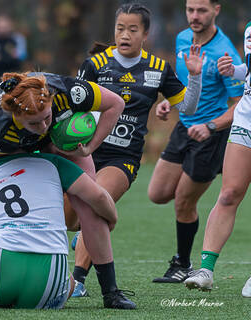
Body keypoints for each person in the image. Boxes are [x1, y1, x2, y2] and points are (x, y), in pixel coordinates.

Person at [0, 70, 136, 309]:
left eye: (46, 117)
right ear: (15, 116)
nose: (42, 126)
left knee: (89, 207)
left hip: (63, 142)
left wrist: (89, 148)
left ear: (51, 100)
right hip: (17, 152)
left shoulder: (66, 91)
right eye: (33, 123)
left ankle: (111, 292)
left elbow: (115, 104)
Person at [70, 2, 205, 297]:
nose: (125, 34)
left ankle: (77, 279)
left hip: (123, 158)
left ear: (145, 33)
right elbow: (76, 107)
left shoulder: (158, 69)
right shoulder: (96, 64)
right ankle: (80, 236)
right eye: (120, 28)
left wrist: (195, 76)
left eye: (133, 29)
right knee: (72, 219)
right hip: (86, 152)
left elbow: (189, 108)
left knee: (96, 206)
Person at [0, 140, 117, 309]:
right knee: (68, 282)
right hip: (50, 288)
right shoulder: (53, 162)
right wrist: (112, 218)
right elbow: (99, 196)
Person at [147, 0, 244, 283]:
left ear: (216, 9)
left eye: (201, 10)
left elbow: (239, 104)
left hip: (211, 135)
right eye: (190, 9)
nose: (194, 16)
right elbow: (184, 85)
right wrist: (168, 102)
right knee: (157, 193)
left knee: (182, 201)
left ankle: (183, 264)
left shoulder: (225, 52)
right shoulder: (182, 38)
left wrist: (211, 125)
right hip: (184, 127)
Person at [184, 21, 251, 296]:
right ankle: (206, 270)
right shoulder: (248, 28)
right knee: (228, 194)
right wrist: (235, 71)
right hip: (246, 120)